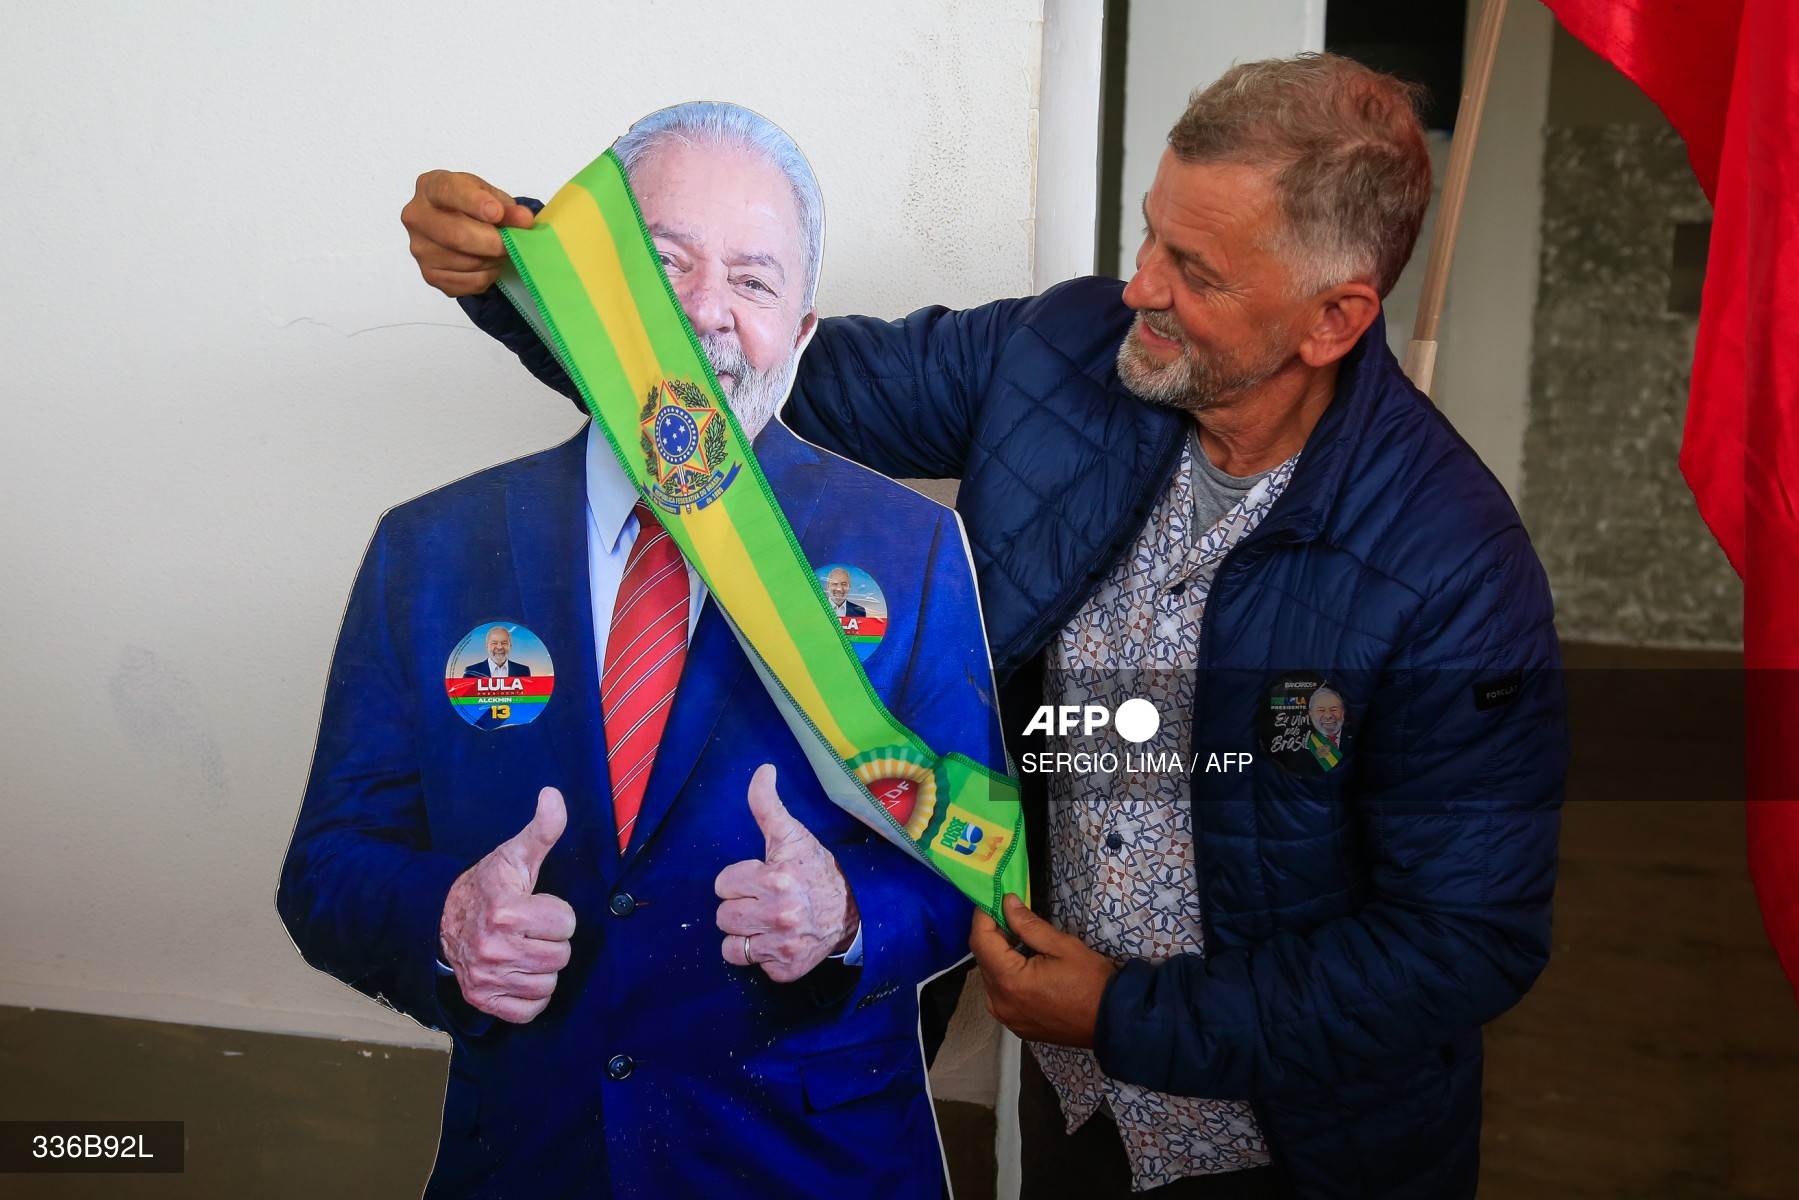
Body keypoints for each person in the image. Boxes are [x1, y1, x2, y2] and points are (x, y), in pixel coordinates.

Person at [402, 54, 1567, 1200]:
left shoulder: (1453, 568)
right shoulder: (1056, 355)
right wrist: (523, 281)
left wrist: (1126, 1013)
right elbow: (736, 382)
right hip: (1068, 1101)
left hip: (1302, 1150)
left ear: (1333, 320)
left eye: (1195, 270)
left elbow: (1461, 943)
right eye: (1149, 234)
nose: (1140, 288)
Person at [282, 101, 1007, 1200]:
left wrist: (848, 919)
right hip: (531, 1158)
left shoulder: (905, 550)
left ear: (801, 334)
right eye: (665, 268)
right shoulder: (429, 550)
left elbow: (979, 865)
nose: (707, 316)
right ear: (597, 297)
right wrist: (442, 920)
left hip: (813, 1163)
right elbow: (328, 868)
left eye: (753, 282)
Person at [465, 625, 531, 677]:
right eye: (494, 643)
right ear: (486, 646)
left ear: (510, 646)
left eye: (504, 643)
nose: (499, 647)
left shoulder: (524, 671)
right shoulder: (471, 672)